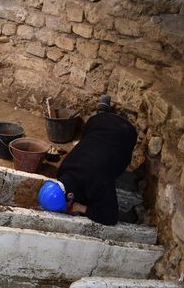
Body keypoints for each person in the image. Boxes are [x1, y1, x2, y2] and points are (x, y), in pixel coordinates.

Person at [38, 95, 138, 225]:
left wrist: (81, 207)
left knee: (115, 163)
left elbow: (110, 217)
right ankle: (103, 110)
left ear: (70, 196)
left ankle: (110, 113)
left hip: (125, 131)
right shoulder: (64, 169)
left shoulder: (98, 181)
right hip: (97, 122)